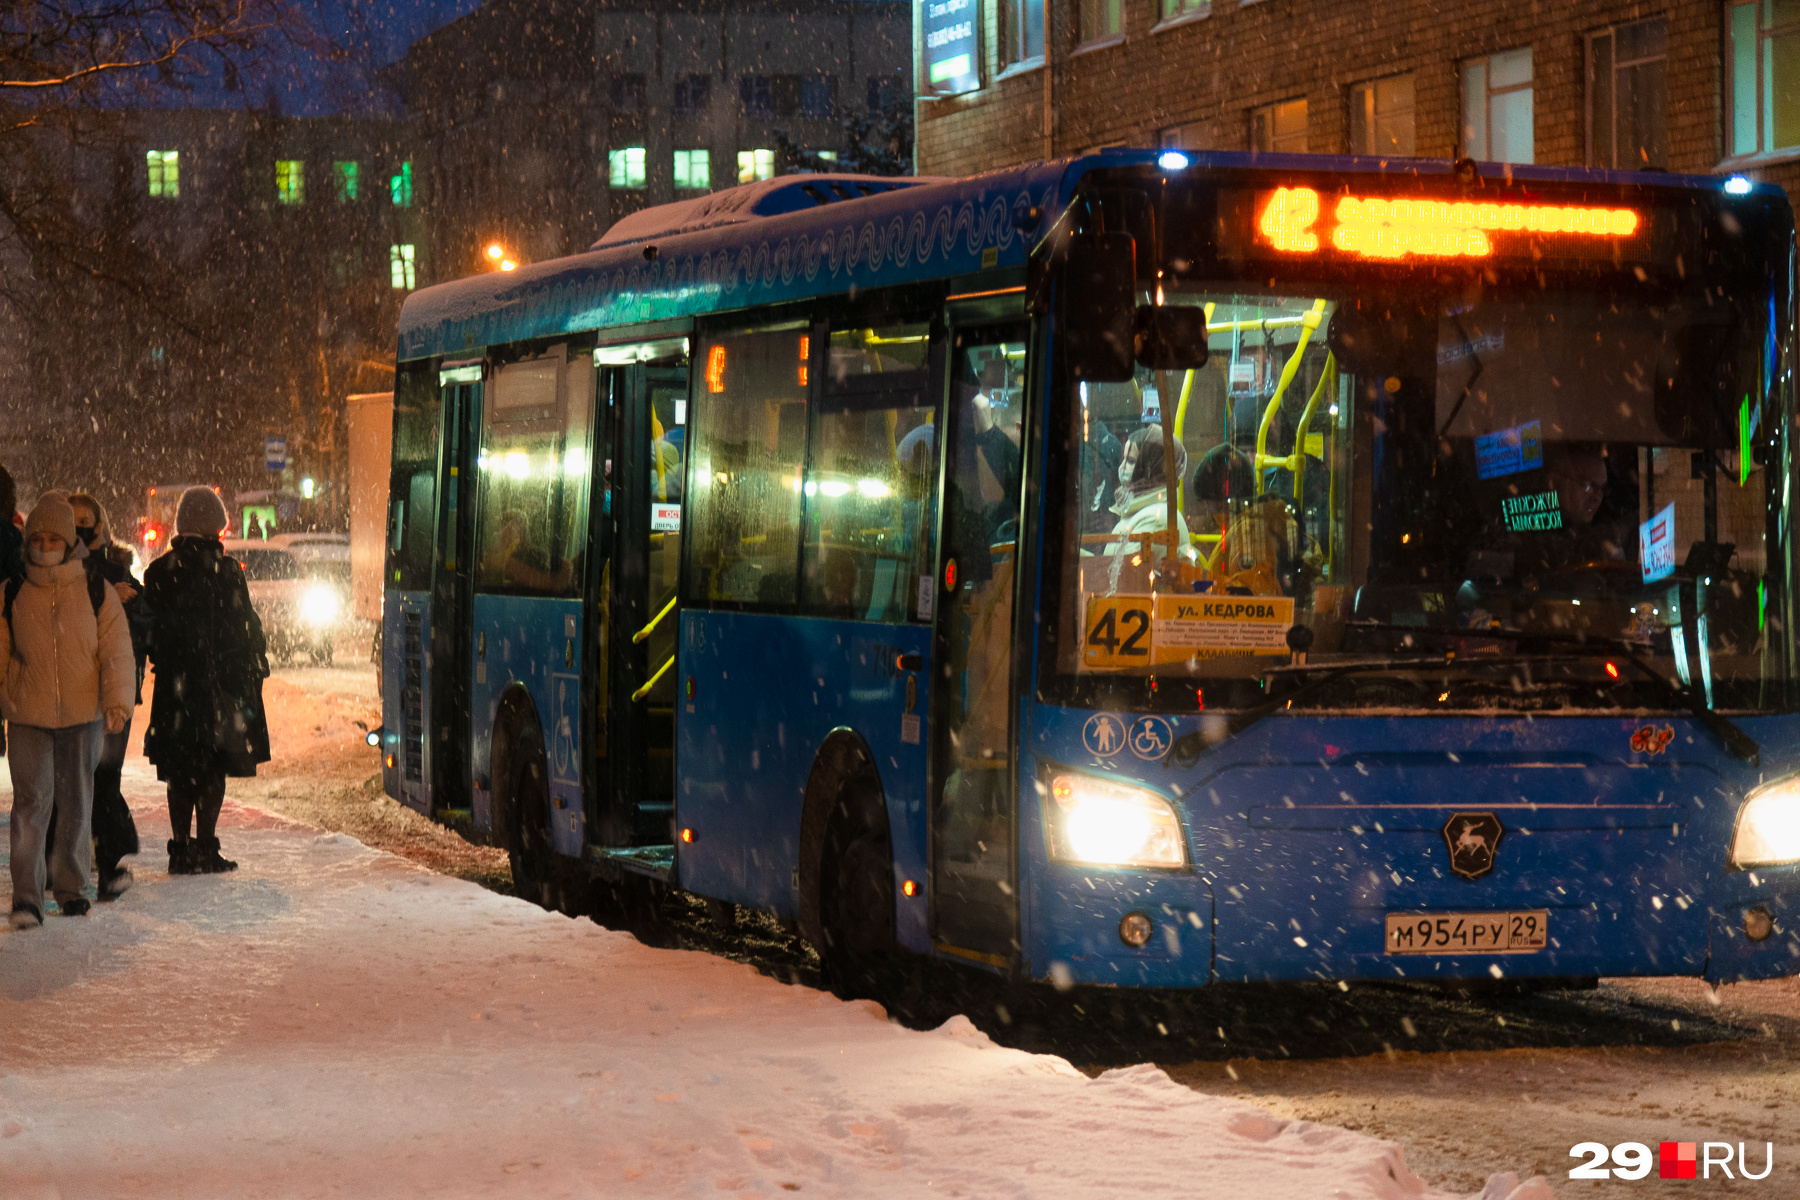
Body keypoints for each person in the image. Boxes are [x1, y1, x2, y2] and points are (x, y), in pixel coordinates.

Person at [2, 494, 134, 928]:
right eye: (36, 538)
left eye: (53, 538)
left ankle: (72, 888)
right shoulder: (13, 592)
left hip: (82, 715)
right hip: (28, 716)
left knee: (77, 804)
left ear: (69, 542)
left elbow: (116, 651)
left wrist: (116, 701)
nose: (44, 545)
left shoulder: (96, 590)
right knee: (31, 806)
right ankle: (27, 899)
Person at [143, 486, 271, 875]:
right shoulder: (227, 571)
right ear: (215, 526)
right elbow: (244, 628)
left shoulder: (159, 572)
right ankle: (206, 845)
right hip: (219, 687)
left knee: (179, 768)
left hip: (176, 689)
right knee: (213, 766)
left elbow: (152, 632)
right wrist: (250, 666)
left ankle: (180, 849)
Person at [71, 492, 152, 899]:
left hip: (112, 688)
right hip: (71, 688)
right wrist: (104, 595)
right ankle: (74, 861)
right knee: (73, 778)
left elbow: (140, 626)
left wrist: (123, 603)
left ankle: (107, 862)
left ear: (100, 526)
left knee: (105, 777)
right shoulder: (60, 573)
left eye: (86, 521)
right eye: (73, 521)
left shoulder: (119, 571)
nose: (80, 529)